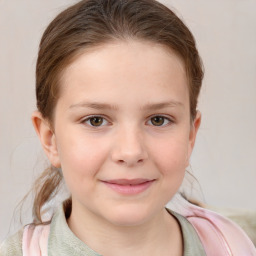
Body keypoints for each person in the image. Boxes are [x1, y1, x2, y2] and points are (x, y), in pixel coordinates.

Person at [0, 0, 255, 255]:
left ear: (190, 134)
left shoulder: (237, 244)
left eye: (158, 119)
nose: (131, 152)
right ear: (50, 139)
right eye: (96, 120)